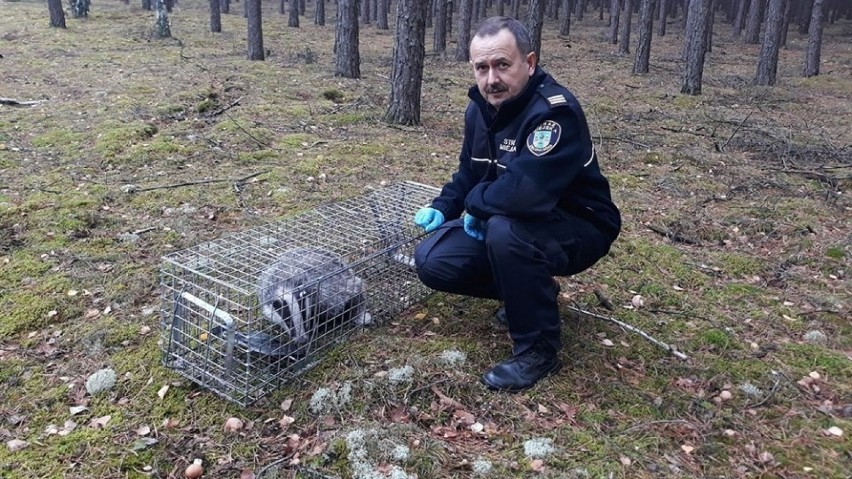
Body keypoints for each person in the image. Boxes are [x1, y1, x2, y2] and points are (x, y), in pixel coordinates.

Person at [412, 16, 621, 392]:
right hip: (513, 216)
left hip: (580, 223)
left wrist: (475, 206)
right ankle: (531, 291)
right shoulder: (479, 110)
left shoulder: (554, 113)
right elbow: (469, 173)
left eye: (502, 65)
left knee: (506, 228)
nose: (491, 78)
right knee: (433, 259)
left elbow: (525, 194)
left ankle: (538, 350)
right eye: (482, 67)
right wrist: (445, 206)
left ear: (529, 62)